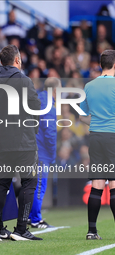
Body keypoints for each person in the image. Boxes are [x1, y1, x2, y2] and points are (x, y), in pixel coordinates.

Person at [0, 45, 42, 241]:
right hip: (24, 142)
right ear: (17, 60)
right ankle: (21, 229)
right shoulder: (24, 80)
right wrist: (33, 128)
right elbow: (35, 105)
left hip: (2, 142)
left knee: (2, 184)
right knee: (29, 182)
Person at [79, 49, 115, 240]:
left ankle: (92, 231)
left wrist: (97, 123)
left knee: (98, 183)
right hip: (113, 137)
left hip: (96, 137)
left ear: (101, 65)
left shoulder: (89, 86)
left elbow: (81, 116)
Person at [28, 77, 61, 228]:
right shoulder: (49, 106)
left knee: (31, 184)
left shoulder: (37, 99)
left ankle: (29, 216)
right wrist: (53, 154)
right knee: (39, 185)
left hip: (30, 149)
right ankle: (35, 219)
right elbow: (50, 133)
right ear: (55, 91)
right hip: (42, 153)